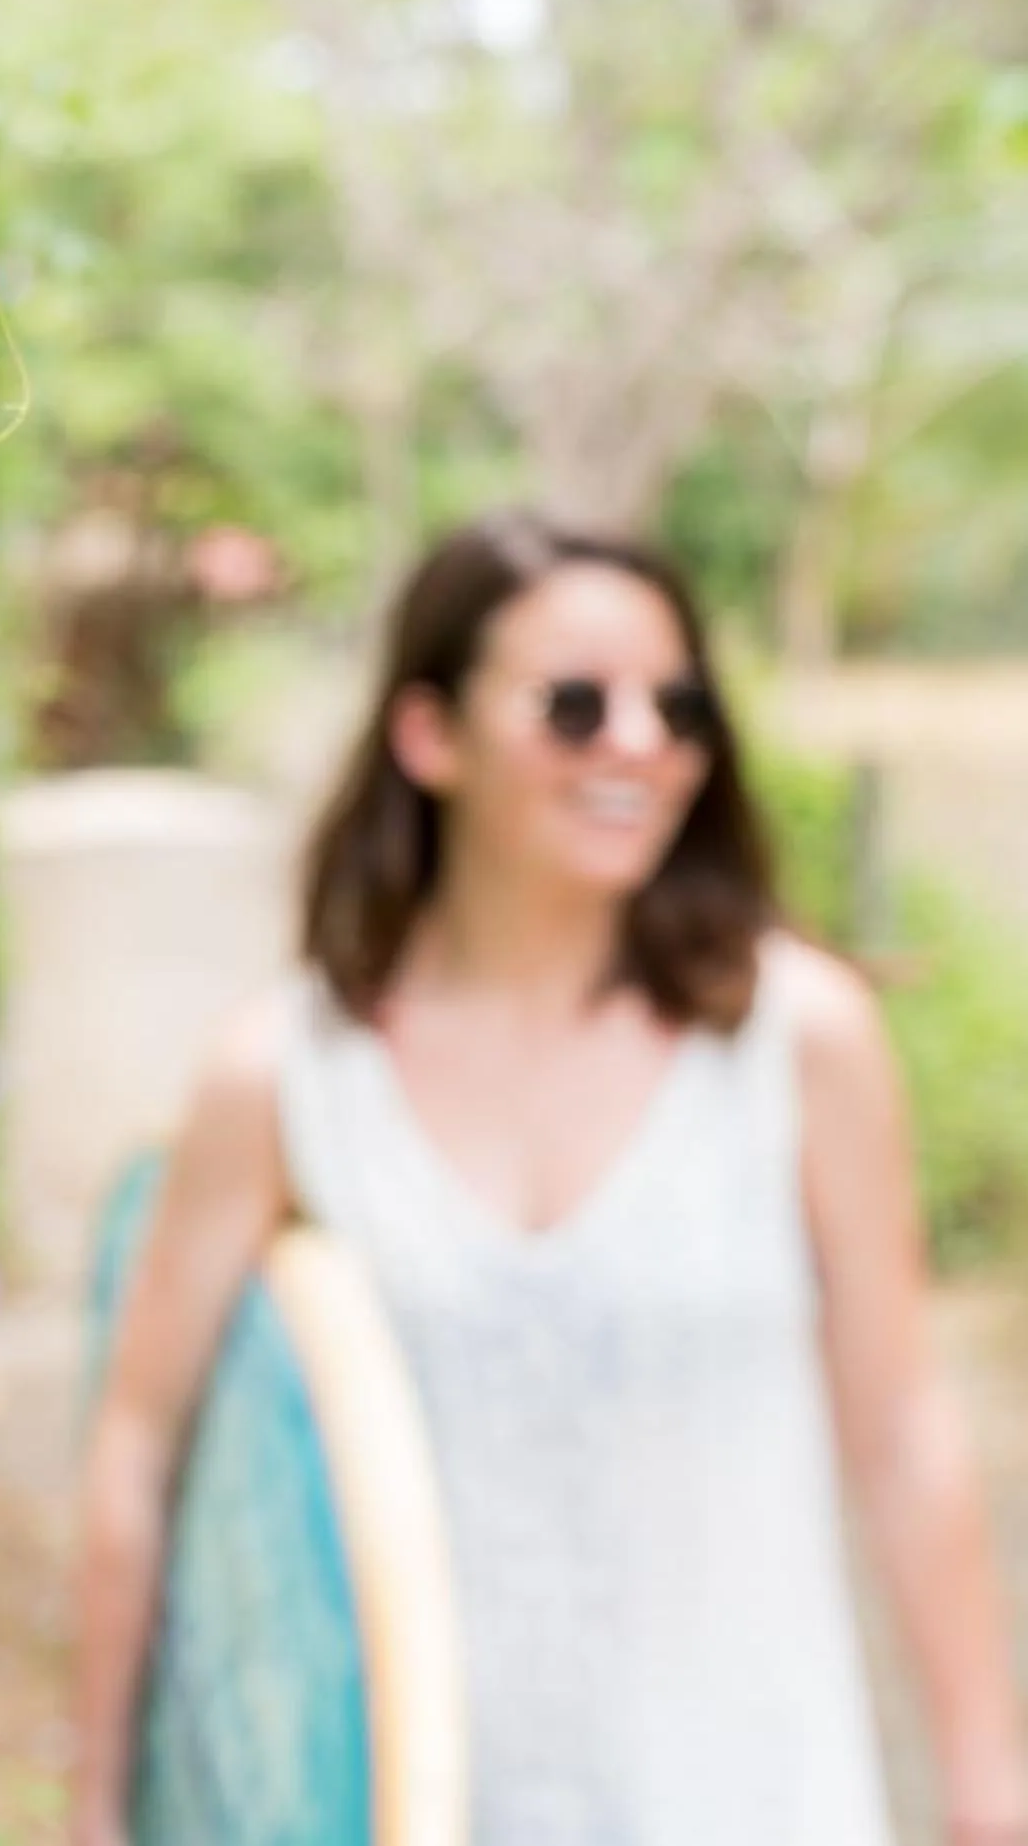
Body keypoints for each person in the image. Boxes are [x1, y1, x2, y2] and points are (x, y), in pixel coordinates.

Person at [72, 514, 1028, 1844]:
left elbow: (906, 1428)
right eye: (576, 705)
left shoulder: (795, 1043)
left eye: (678, 704)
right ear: (431, 735)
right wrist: (99, 1806)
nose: (638, 741)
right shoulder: (287, 1077)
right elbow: (138, 1444)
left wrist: (990, 1781)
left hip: (759, 1799)